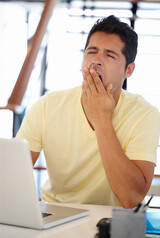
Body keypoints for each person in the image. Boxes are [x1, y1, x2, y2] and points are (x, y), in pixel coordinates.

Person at [16, 15, 160, 208]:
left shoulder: (145, 115)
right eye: (91, 52)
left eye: (109, 55)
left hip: (109, 223)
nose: (97, 61)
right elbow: (11, 176)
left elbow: (131, 198)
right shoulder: (46, 106)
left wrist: (102, 120)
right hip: (55, 214)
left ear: (129, 70)